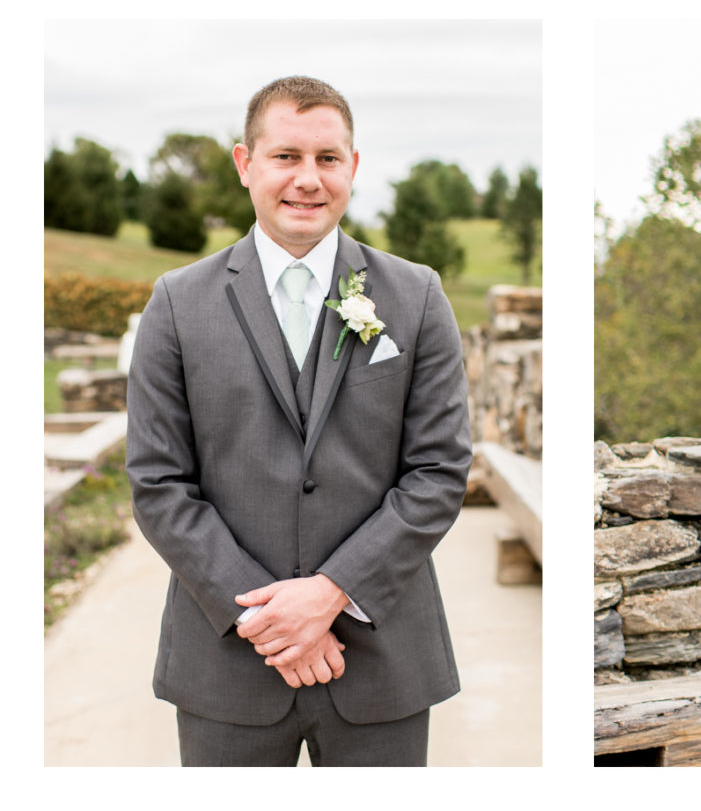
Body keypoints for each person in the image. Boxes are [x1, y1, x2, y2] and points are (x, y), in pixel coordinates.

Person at [126, 76, 472, 766]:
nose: (307, 180)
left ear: (353, 166)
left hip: (384, 662)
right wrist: (270, 619)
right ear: (244, 163)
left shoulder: (417, 295)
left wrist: (330, 593)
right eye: (286, 156)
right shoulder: (177, 302)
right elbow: (159, 483)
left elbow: (438, 471)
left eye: (327, 158)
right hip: (226, 664)